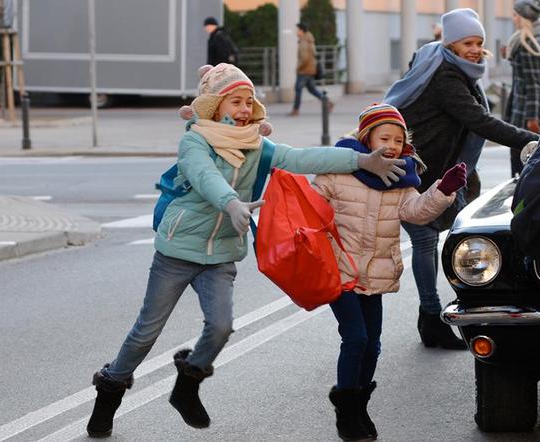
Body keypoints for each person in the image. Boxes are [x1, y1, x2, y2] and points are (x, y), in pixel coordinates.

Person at [85, 63, 407, 438]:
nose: (242, 108)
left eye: (248, 101)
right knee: (145, 333)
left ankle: (187, 385)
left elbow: (303, 158)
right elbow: (204, 176)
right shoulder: (195, 140)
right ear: (215, 106)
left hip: (221, 254)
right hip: (177, 251)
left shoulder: (257, 145)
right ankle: (110, 389)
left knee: (221, 326)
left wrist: (360, 160)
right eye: (234, 101)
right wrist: (231, 202)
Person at [383, 8, 538, 350]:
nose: (474, 48)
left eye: (479, 42)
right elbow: (479, 120)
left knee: (459, 236)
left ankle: (456, 312)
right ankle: (432, 317)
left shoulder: (450, 67)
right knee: (426, 242)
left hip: (442, 169)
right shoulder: (445, 77)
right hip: (418, 170)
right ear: (450, 43)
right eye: (467, 42)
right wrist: (529, 141)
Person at [313, 103, 467, 441]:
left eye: (399, 139)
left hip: (377, 274)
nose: (393, 145)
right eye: (386, 137)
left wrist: (442, 190)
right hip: (341, 270)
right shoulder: (338, 170)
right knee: (355, 339)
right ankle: (346, 411)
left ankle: (359, 406)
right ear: (367, 138)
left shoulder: (400, 176)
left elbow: (415, 212)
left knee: (373, 346)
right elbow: (312, 204)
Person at [504, 0, 540, 176]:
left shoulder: (527, 44)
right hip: (535, 106)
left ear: (523, 18)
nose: (513, 18)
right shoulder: (537, 38)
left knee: (521, 159)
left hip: (527, 112)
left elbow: (533, 84)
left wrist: (532, 119)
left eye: (516, 15)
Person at [288, 23, 331, 116]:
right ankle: (327, 102)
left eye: (297, 30)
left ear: (301, 31)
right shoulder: (308, 40)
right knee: (312, 89)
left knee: (298, 89)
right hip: (310, 69)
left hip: (304, 70)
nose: (296, 32)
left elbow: (304, 58)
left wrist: (298, 68)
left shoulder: (304, 42)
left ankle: (295, 110)